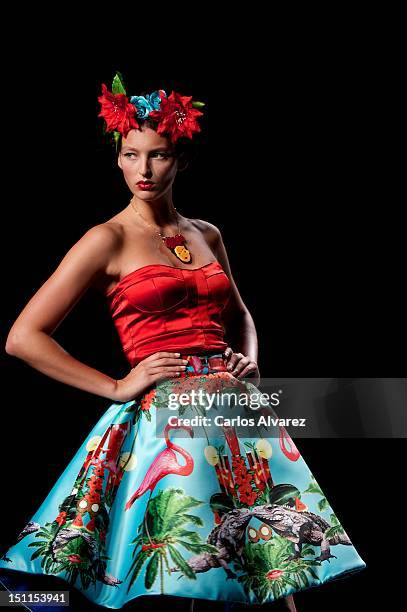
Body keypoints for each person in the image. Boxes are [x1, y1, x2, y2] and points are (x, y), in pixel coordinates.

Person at [0, 75, 366, 611]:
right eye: (131, 155)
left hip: (236, 411)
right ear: (118, 159)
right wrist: (116, 385)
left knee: (273, 571)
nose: (144, 170)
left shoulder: (206, 233)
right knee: (181, 567)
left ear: (182, 160)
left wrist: (251, 364)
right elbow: (22, 338)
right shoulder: (108, 238)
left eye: (159, 155)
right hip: (167, 414)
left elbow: (238, 314)